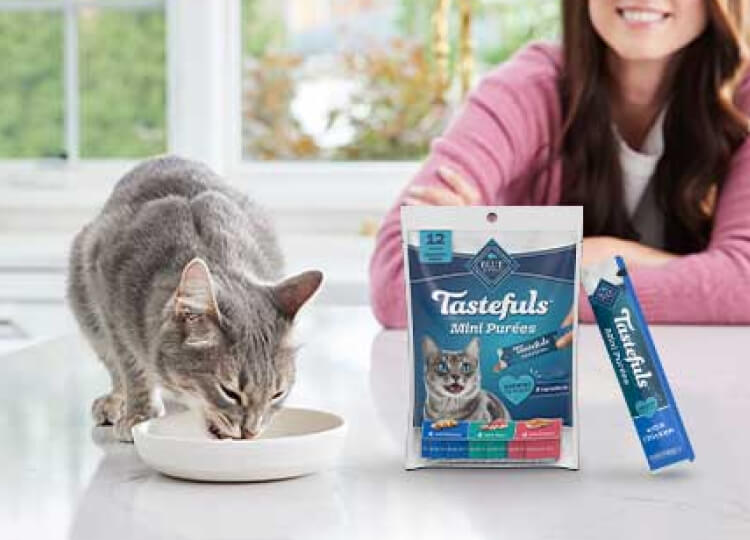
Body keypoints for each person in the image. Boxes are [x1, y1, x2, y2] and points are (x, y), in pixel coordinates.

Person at [370, 0, 750, 328]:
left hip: (704, 392)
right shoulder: (527, 89)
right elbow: (398, 282)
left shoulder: (743, 100)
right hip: (537, 390)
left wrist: (514, 260)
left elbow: (743, 286)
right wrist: (583, 264)